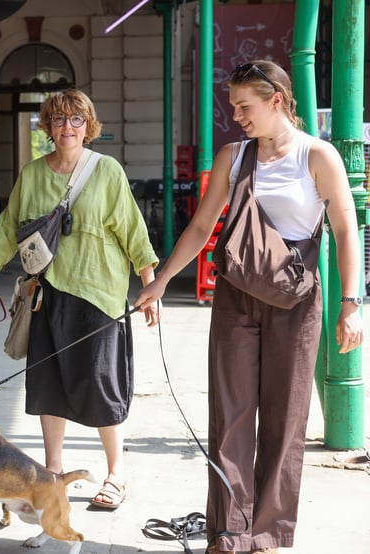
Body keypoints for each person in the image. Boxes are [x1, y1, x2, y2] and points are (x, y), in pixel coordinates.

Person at [134, 60, 363, 553]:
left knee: (286, 420)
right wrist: (161, 281)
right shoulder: (233, 157)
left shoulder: (317, 155)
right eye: (233, 105)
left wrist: (351, 303)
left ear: (276, 99)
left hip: (297, 302)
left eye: (245, 106)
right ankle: (230, 531)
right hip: (236, 296)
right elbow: (200, 227)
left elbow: (347, 229)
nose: (236, 115)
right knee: (230, 417)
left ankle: (267, 535)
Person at [0, 88, 159, 510]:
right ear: (48, 126)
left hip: (99, 295)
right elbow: (6, 230)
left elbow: (132, 229)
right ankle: (52, 472)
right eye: (58, 119)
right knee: (47, 385)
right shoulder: (33, 174)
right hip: (47, 294)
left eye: (76, 119)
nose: (67, 127)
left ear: (88, 126)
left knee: (99, 384)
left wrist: (150, 285)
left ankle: (115, 475)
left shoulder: (106, 171)